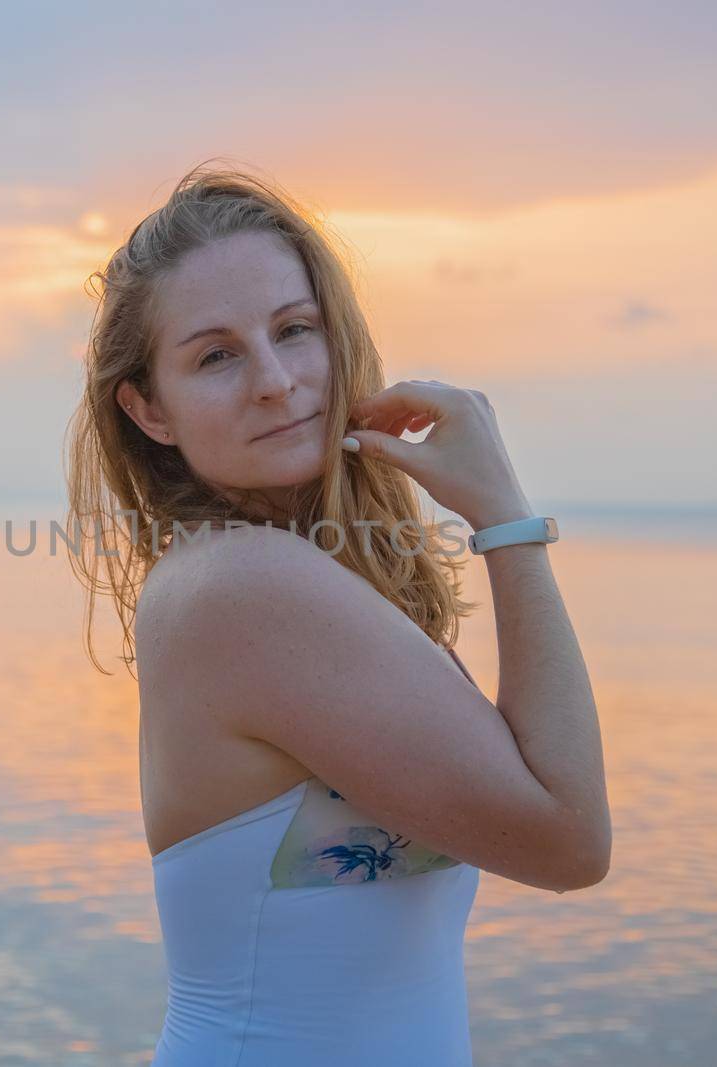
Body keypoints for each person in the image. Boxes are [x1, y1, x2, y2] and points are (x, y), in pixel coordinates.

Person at [64, 160, 611, 1065]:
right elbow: (570, 838)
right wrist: (507, 522)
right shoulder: (242, 588)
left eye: (294, 329)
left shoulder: (290, 580)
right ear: (149, 409)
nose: (275, 380)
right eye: (216, 355)